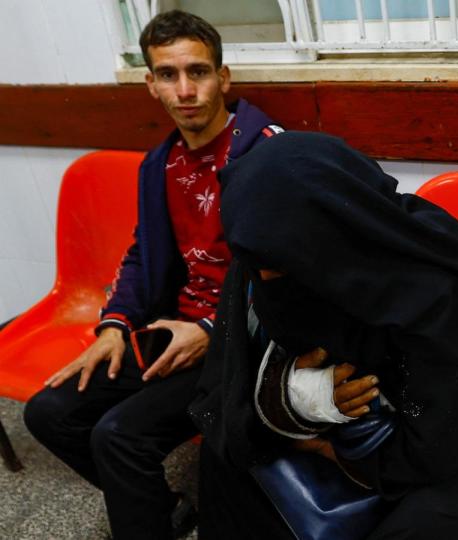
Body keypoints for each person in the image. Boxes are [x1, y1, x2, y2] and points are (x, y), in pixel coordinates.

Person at [189, 131, 458, 539]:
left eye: (282, 266)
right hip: (345, 425)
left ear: (333, 236)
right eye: (257, 266)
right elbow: (226, 390)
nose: (265, 278)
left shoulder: (443, 293)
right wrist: (294, 399)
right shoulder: (264, 250)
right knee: (225, 464)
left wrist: (333, 451)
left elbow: (449, 437)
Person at [22, 10, 279, 540]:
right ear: (151, 84)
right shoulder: (159, 163)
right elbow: (144, 253)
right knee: (49, 413)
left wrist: (211, 331)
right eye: (168, 74)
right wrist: (114, 323)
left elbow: (297, 271)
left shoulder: (270, 151)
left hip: (242, 343)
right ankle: (160, 505)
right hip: (172, 330)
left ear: (223, 78)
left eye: (198, 72)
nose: (185, 89)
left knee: (118, 435)